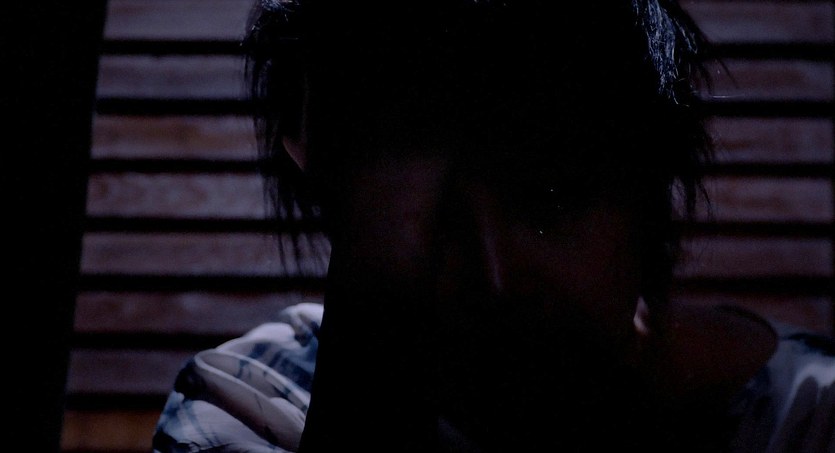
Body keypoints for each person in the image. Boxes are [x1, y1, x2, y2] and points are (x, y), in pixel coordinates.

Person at [151, 0, 835, 452]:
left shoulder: (807, 419)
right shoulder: (251, 402)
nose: (496, 279)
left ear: (647, 183)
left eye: (551, 199)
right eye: (430, 215)